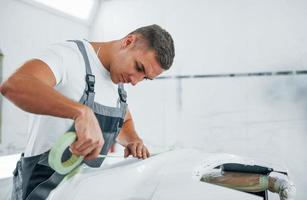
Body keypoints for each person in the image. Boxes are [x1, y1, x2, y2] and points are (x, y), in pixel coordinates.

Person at [0, 24, 175, 200]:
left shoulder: (119, 85)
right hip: (39, 190)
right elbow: (15, 85)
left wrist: (133, 139)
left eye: (145, 78)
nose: (135, 81)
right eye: (139, 67)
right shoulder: (68, 55)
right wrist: (80, 112)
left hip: (82, 193)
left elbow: (124, 121)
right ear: (128, 41)